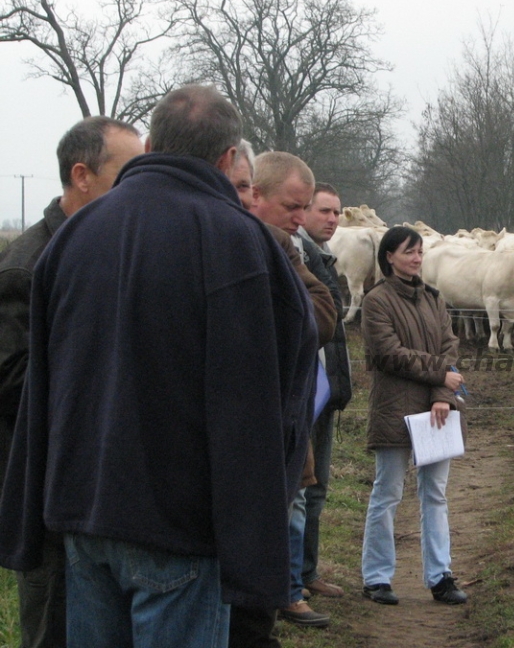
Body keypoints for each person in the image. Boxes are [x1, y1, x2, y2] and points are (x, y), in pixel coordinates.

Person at [0, 85, 321, 648]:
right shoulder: (240, 242)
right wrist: (256, 541)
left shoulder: (74, 236)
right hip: (179, 527)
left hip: (83, 516)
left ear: (151, 144)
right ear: (227, 160)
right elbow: (265, 401)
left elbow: (44, 389)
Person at [0, 116, 143, 648]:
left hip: (94, 490)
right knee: (52, 628)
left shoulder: (107, 247)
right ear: (82, 175)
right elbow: (13, 384)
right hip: (46, 497)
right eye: (127, 171)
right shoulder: (27, 267)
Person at [360, 226, 469, 606]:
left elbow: (449, 347)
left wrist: (443, 393)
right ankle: (376, 577)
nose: (417, 258)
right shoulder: (376, 301)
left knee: (435, 494)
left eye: (420, 252)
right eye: (409, 252)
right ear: (389, 256)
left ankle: (440, 576)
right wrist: (441, 374)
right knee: (388, 491)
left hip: (437, 410)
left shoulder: (434, 299)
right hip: (394, 408)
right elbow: (389, 354)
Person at [249, 151, 333, 629]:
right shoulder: (274, 246)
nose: (300, 219)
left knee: (293, 500)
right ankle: (279, 592)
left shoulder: (289, 244)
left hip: (288, 404)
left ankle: (284, 588)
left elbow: (327, 313)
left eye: (307, 209)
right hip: (264, 411)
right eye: (292, 207)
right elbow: (319, 314)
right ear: (256, 195)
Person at [299, 182, 352, 599]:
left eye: (337, 213)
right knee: (302, 488)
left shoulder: (322, 258)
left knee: (316, 487)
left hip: (324, 391)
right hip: (306, 391)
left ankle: (307, 571)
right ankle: (296, 579)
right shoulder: (300, 254)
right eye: (324, 212)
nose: (332, 220)